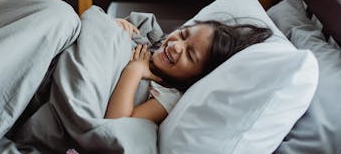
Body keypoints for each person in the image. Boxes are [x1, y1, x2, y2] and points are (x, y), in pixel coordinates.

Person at [106, 19, 273, 124]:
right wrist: (117, 25)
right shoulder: (151, 45)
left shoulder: (169, 97)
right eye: (183, 34)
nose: (176, 46)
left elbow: (115, 123)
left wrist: (133, 71)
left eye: (190, 54)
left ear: (195, 78)